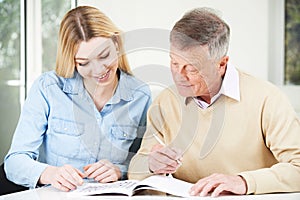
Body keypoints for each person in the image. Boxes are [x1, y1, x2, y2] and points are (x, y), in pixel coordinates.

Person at [128, 7, 300, 197]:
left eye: (192, 69)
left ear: (221, 64)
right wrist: (151, 165)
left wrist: (244, 182)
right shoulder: (165, 101)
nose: (179, 76)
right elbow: (136, 167)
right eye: (174, 63)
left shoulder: (267, 99)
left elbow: (298, 167)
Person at [4, 6, 151, 192]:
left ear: (116, 44)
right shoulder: (48, 88)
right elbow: (14, 162)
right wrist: (50, 173)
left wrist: (120, 170)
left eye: (104, 55)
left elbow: (143, 160)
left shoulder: (140, 95)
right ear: (72, 60)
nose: (98, 70)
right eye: (84, 63)